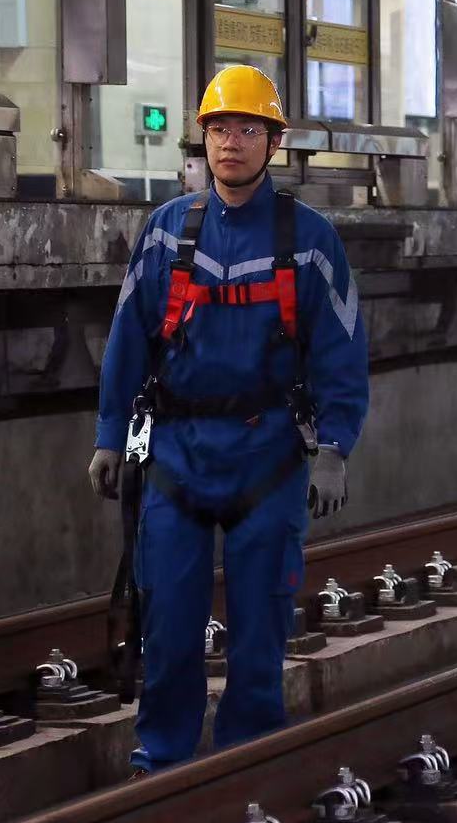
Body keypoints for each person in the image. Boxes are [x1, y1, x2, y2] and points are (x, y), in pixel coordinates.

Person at [88, 65, 369, 774]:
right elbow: (128, 339)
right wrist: (111, 436)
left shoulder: (310, 240)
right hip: (177, 457)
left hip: (267, 456)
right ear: (203, 140)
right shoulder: (165, 232)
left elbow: (341, 350)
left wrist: (334, 447)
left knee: (259, 629)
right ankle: (162, 759)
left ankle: (248, 762)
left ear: (274, 142)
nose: (231, 142)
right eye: (218, 129)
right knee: (169, 623)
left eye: (247, 129)